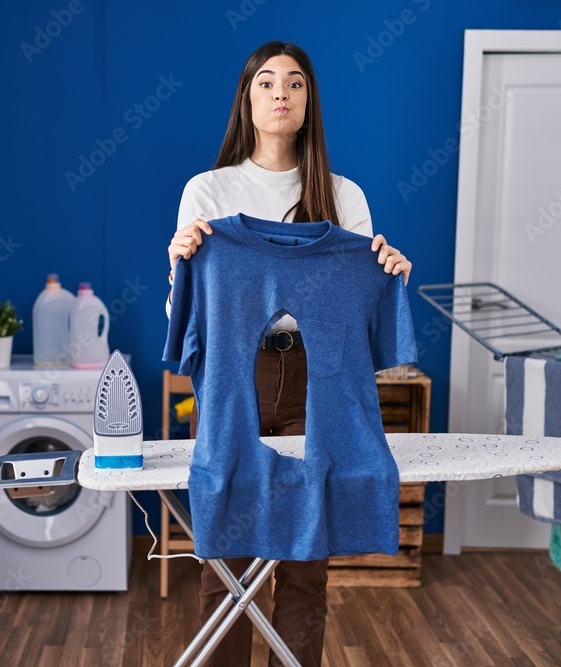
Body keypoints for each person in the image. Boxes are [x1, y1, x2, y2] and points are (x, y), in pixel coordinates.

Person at [166, 41, 412, 666]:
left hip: (317, 378)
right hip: (234, 376)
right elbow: (183, 318)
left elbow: (361, 317)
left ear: (309, 101)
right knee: (226, 560)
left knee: (306, 558)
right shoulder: (209, 193)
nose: (282, 93)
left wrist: (387, 277)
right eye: (268, 82)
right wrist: (182, 266)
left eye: (296, 83)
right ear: (247, 99)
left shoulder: (342, 197)